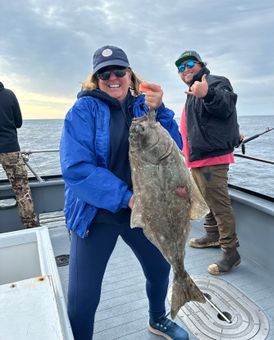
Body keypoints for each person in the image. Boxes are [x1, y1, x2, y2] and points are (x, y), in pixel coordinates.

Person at [60, 45, 189, 340]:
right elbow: (77, 169)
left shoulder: (145, 106)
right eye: (105, 73)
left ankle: (158, 319)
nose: (113, 77)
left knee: (159, 270)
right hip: (96, 213)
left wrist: (161, 110)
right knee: (82, 297)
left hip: (145, 209)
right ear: (96, 78)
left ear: (130, 75)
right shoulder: (82, 111)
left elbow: (176, 147)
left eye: (120, 70)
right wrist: (126, 197)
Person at [174, 50, 241, 275]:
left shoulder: (214, 83)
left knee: (220, 205)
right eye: (180, 67)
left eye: (189, 64)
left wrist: (207, 94)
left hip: (212, 158)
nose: (185, 69)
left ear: (201, 64)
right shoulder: (192, 90)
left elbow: (225, 106)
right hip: (197, 158)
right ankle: (212, 235)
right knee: (206, 199)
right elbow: (217, 121)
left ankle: (231, 253)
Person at [0, 81, 38, 228]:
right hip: (10, 149)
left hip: (10, 148)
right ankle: (30, 226)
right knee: (22, 191)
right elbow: (18, 122)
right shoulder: (9, 95)